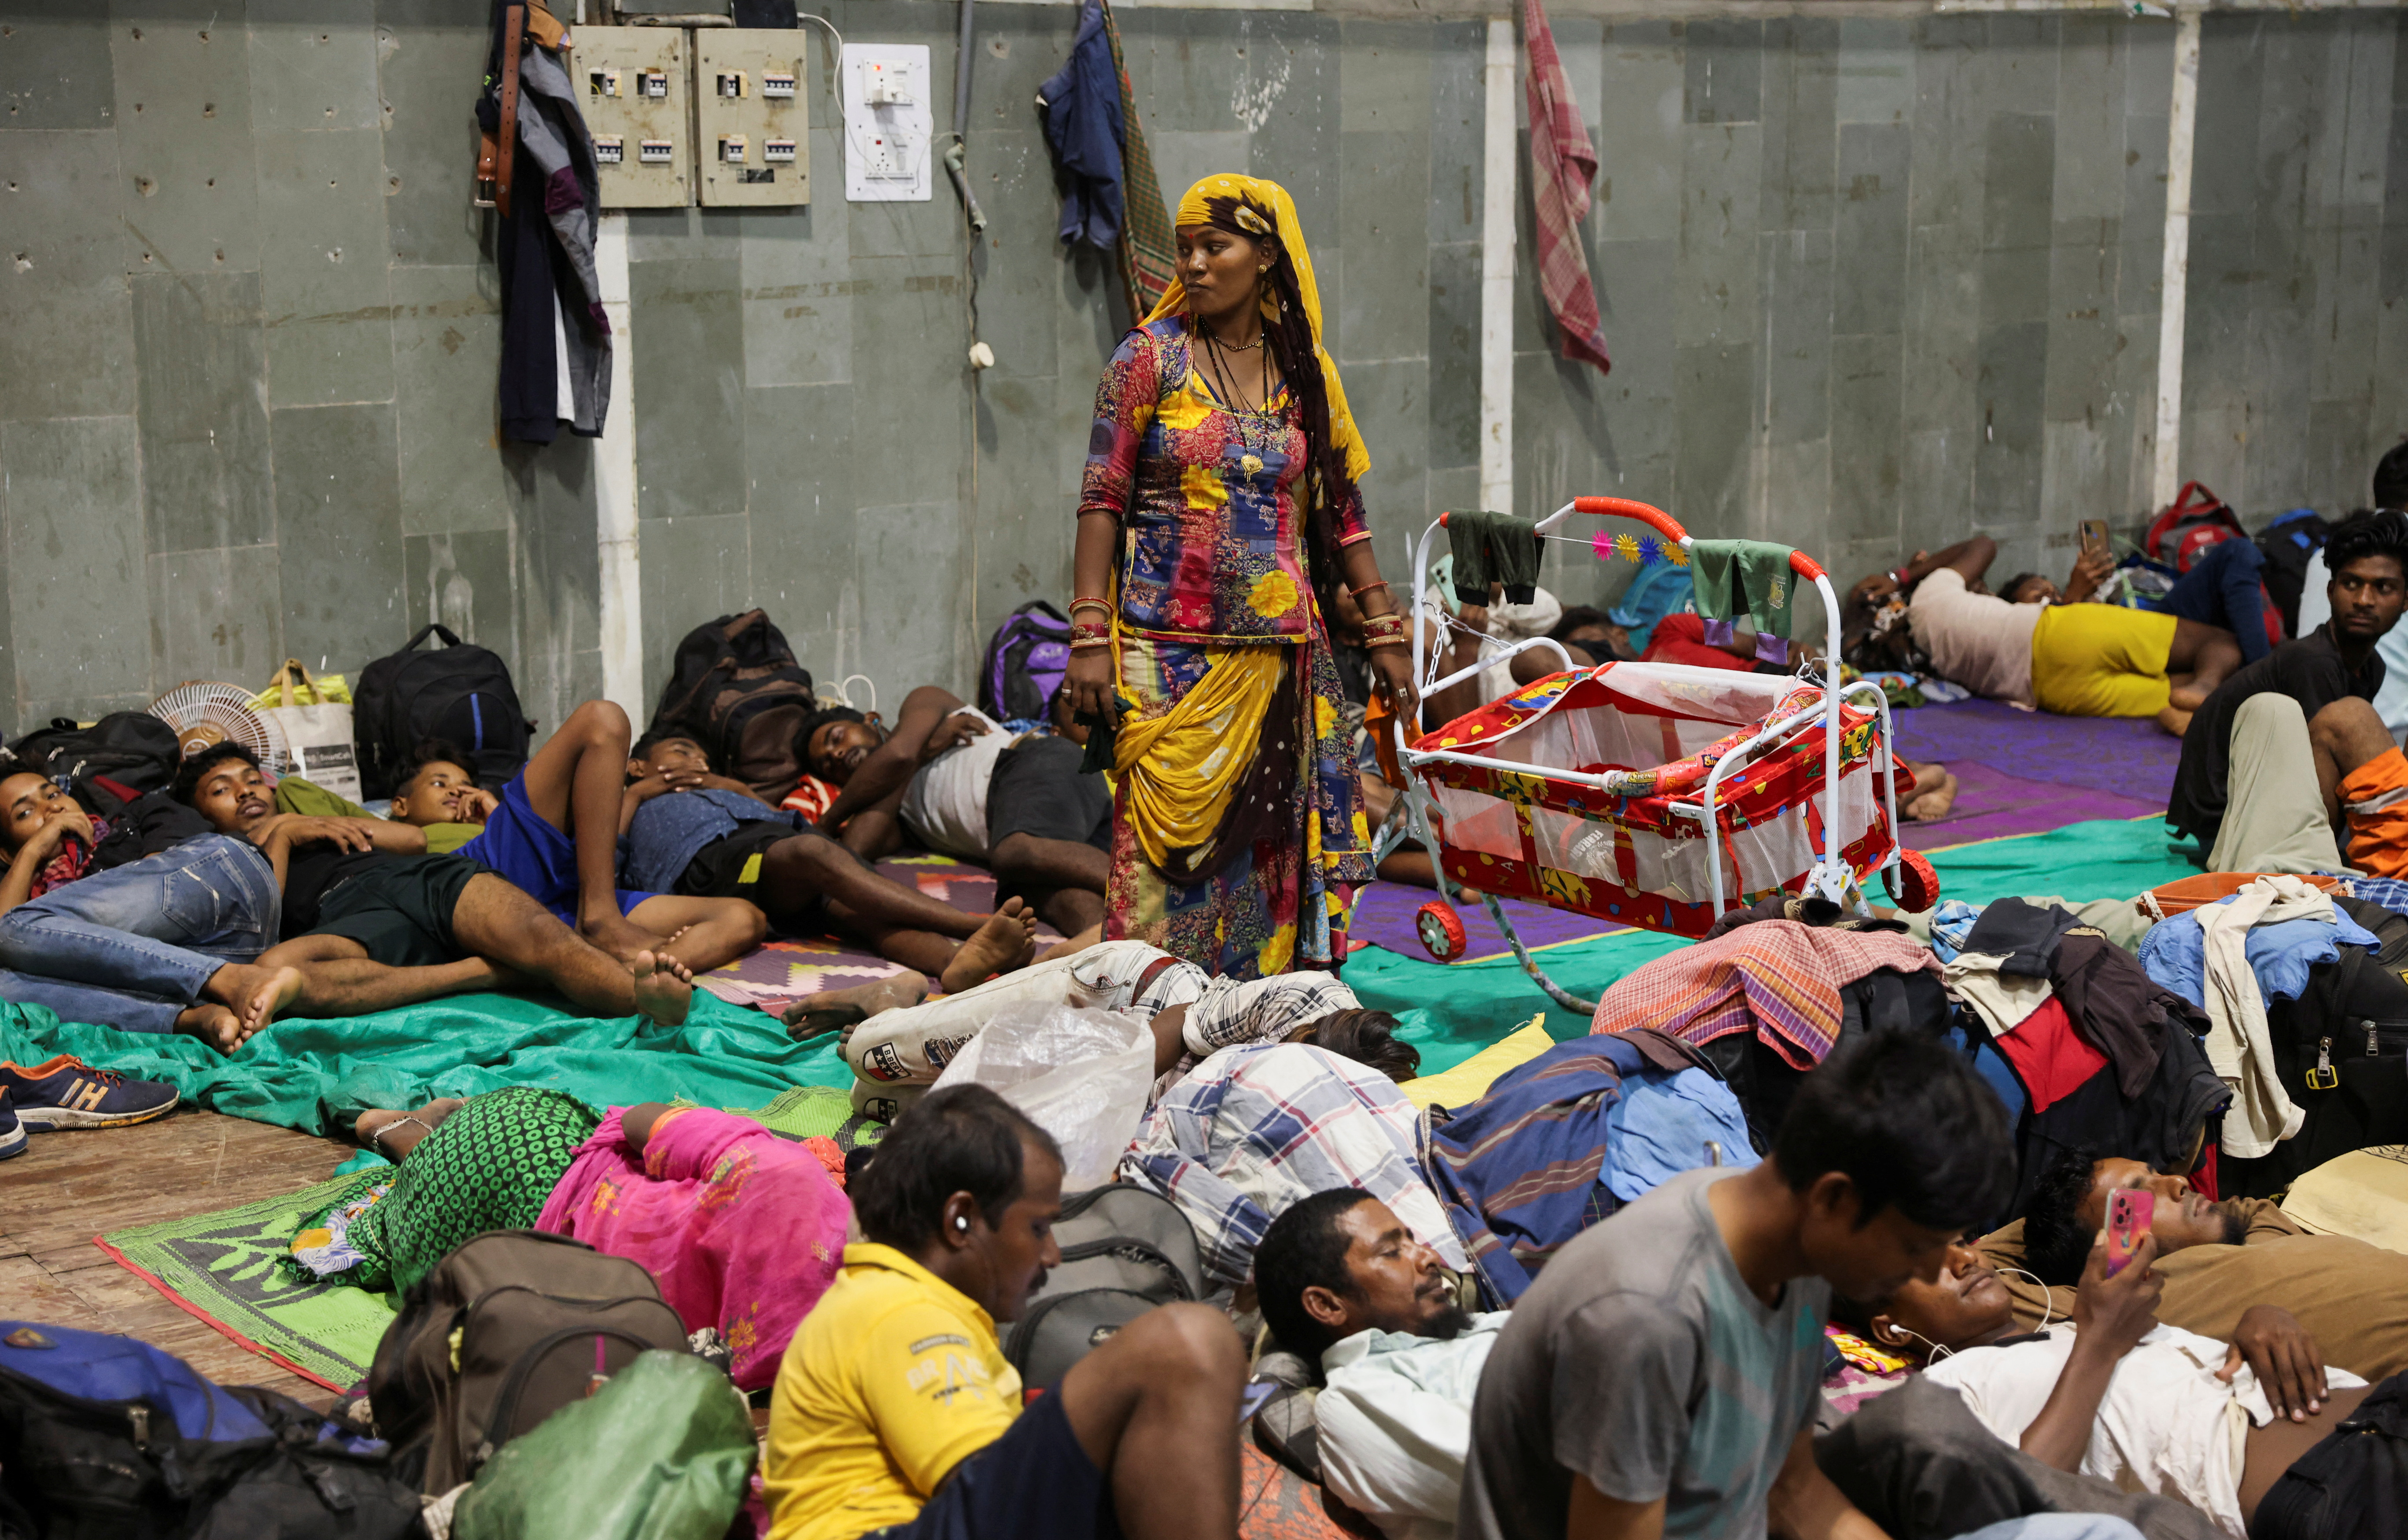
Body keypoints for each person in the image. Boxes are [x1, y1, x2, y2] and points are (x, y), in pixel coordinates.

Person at [1455, 1028, 2015, 1540]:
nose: (1926, 1271)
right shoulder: (1646, 1314)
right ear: (1835, 1200)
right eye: (1916, 1247)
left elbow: (1792, 1491)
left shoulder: (1794, 1248)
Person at [1061, 172, 1415, 980]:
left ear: (1264, 254)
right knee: (1159, 863)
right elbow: (1100, 498)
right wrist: (1088, 633)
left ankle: (1252, 1019)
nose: (1191, 263)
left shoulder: (1304, 369)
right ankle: (1148, 1018)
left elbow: (1340, 510)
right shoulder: (1146, 358)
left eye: (1212, 246)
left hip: (1279, 658)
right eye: (1184, 247)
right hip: (1165, 654)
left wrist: (1384, 626)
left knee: (1267, 863)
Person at [761, 1083, 1247, 1540]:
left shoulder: (883, 1302)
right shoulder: (899, 1310)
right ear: (960, 1220)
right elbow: (985, 1480)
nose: (1053, 1255)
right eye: (1039, 1228)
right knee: (1189, 1341)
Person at [285, 1087, 848, 1391]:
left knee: (545, 1141)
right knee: (444, 1189)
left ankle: (398, 1129)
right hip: (534, 1280)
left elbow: (635, 1121)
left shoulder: (788, 1173)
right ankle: (407, 1136)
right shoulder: (800, 1353)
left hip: (532, 1163)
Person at [1836, 1234, 2369, 1536]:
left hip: (2379, 1403)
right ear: (1889, 1325)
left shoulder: (2085, 1316)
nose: (1966, 1257)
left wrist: (2265, 1315)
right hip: (2339, 1488)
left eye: (1962, 1241)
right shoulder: (1950, 1388)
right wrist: (2099, 1340)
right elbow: (2013, 1516)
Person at [176, 742, 699, 1029]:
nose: (244, 792)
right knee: (271, 973)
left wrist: (300, 820)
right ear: (202, 814)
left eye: (250, 779)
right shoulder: (217, 857)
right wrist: (285, 837)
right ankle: (477, 974)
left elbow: (410, 840)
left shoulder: (306, 806)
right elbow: (261, 925)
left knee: (541, 935)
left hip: (412, 878)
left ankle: (643, 1002)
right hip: (345, 918)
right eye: (222, 790)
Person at [623, 732, 1039, 992]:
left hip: (779, 854)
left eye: (703, 760)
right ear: (636, 764)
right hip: (715, 865)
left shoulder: (725, 787)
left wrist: (729, 785)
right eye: (682, 752)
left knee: (863, 909)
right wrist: (639, 792)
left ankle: (956, 965)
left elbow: (769, 816)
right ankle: (974, 926)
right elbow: (612, 850)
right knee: (813, 851)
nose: (698, 765)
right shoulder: (631, 798)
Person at [825, 938, 1416, 1117]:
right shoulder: (1308, 997)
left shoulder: (1336, 1094)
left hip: (1124, 1082)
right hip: (1117, 1001)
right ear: (1311, 1035)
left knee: (880, 1106)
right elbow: (1176, 1025)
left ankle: (932, 1002)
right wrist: (1085, 1110)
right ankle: (889, 1000)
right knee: (874, 1056)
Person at [376, 702, 766, 972]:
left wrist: (491, 810)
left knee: (744, 917)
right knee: (602, 719)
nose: (456, 791)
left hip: (563, 896)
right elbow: (395, 853)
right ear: (401, 805)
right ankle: (604, 926)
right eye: (439, 783)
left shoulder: (492, 818)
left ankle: (637, 976)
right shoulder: (403, 835)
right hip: (483, 876)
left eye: (464, 783)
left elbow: (605, 849)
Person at [1982, 1151, 2408, 1381]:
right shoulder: (2120, 1304)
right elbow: (1987, 1271)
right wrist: (2096, 1245)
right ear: (2110, 1252)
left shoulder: (2254, 1235)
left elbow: (2252, 1207)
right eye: (2137, 1196)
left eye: (2155, 1173)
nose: (2178, 1181)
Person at [2163, 512, 2408, 874]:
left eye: (2382, 588)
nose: (2363, 600)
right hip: (2228, 826)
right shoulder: (2311, 661)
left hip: (2267, 802)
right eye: (2351, 584)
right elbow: (2316, 773)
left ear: (2405, 600)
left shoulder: (2371, 666)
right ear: (2330, 591)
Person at [1252, 1190, 1499, 1540]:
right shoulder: (1355, 1401)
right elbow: (1526, 1471)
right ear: (1327, 1305)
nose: (1430, 1257)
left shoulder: (1482, 1327)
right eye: (1392, 1252)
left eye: (1412, 1241)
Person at [0, 767, 302, 1048]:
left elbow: (8, 929)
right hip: (205, 960)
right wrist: (32, 851)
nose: (51, 809)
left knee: (17, 929)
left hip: (223, 889)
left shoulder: (132, 818)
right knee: (5, 988)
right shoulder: (33, 904)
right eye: (26, 813)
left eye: (53, 794)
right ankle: (190, 1020)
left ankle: (230, 979)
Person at [1846, 536, 2241, 732]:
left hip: (2051, 692)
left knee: (2174, 694)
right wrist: (1903, 574)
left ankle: (2189, 704)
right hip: (2059, 633)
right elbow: (1983, 544)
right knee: (2218, 643)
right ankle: (2205, 684)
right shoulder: (1932, 595)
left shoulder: (1931, 662)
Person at [803, 691, 1109, 939]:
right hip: (1038, 839)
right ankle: (1119, 952)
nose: (838, 754)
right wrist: (921, 757)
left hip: (1034, 766)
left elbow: (898, 754)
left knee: (1016, 851)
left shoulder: (924, 702)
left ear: (871, 720)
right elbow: (856, 850)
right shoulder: (895, 807)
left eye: (837, 738)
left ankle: (1148, 886)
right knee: (1033, 895)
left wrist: (826, 824)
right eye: (828, 765)